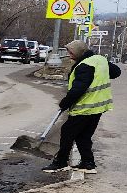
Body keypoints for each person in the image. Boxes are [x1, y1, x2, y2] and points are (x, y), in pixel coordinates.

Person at [44, 38, 120, 174]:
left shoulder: (84, 66)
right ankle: (88, 163)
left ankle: (61, 162)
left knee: (68, 132)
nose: (69, 54)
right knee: (83, 136)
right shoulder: (100, 60)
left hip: (86, 107)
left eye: (71, 52)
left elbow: (78, 89)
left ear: (78, 52)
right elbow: (116, 72)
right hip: (99, 107)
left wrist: (65, 103)